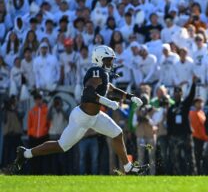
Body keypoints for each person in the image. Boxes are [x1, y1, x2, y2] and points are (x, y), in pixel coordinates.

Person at [13, 45, 149, 175]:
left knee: (117, 133)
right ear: (99, 59)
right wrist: (107, 101)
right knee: (61, 146)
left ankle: (128, 167)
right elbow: (88, 94)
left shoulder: (102, 74)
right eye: (108, 60)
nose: (110, 63)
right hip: (82, 118)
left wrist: (130, 97)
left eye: (111, 60)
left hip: (94, 117)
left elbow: (111, 89)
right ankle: (25, 153)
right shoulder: (96, 71)